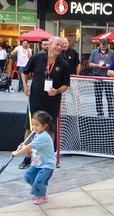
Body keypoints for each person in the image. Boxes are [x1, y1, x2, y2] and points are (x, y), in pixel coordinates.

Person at [18, 36, 70, 169]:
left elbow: (66, 85)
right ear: (49, 45)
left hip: (52, 103)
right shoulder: (37, 57)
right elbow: (25, 72)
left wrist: (57, 91)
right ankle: (27, 157)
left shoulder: (63, 63)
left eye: (61, 46)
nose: (59, 47)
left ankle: (48, 157)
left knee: (50, 130)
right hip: (35, 100)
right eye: (56, 45)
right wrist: (25, 85)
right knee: (30, 128)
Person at [11, 111, 56, 205]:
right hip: (37, 162)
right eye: (33, 125)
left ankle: (42, 196)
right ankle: (39, 189)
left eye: (37, 125)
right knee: (28, 176)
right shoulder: (37, 135)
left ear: (44, 126)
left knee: (39, 181)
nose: (34, 127)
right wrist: (24, 146)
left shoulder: (43, 137)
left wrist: (17, 153)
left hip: (47, 165)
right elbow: (34, 149)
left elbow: (29, 147)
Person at [88, 38, 114, 116]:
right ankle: (100, 112)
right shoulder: (94, 52)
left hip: (108, 77)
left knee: (109, 95)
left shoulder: (112, 53)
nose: (103, 48)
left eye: (105, 46)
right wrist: (98, 65)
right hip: (97, 76)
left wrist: (108, 65)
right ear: (99, 44)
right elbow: (90, 64)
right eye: (102, 46)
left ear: (107, 45)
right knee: (98, 96)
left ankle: (111, 113)